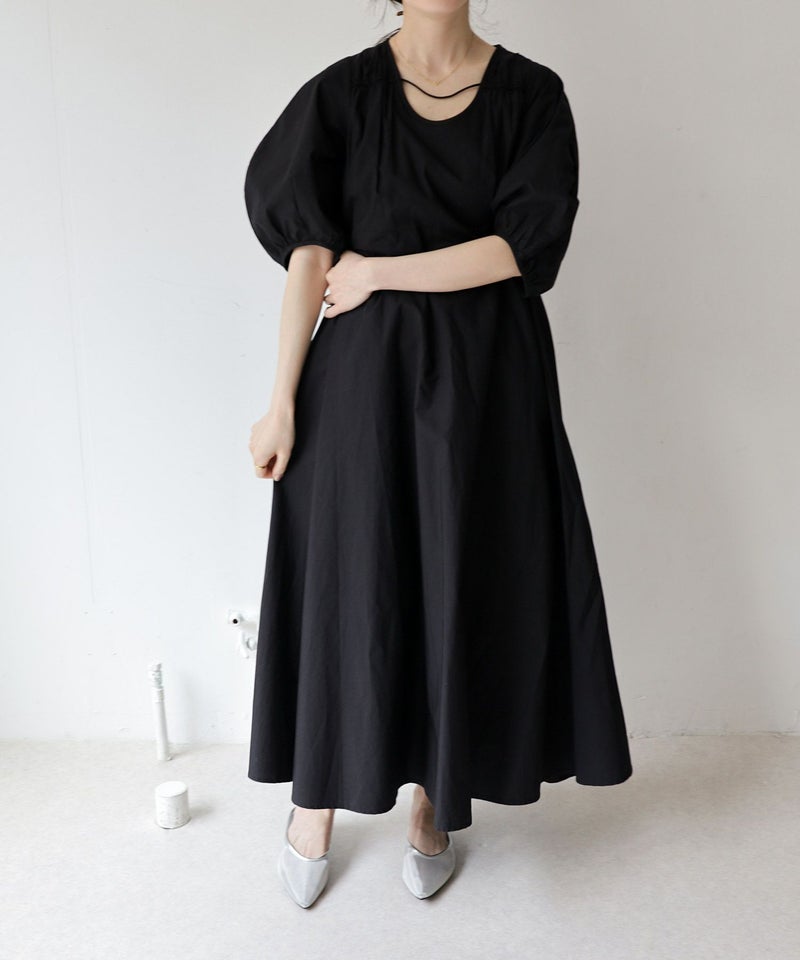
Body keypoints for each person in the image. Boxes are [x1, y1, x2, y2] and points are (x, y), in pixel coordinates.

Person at [244, 0, 633, 908]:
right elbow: (309, 255)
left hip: (489, 383)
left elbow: (520, 249)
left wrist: (380, 270)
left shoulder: (531, 95)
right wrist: (280, 402)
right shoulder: (341, 95)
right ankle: (315, 801)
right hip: (361, 384)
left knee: (464, 578)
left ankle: (433, 798)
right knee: (351, 583)